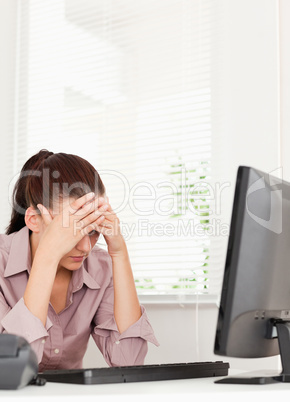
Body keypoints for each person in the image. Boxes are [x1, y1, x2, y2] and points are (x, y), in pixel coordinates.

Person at [0, 149, 159, 372]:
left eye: (94, 231)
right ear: (33, 221)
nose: (85, 247)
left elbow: (129, 362)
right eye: (72, 230)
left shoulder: (100, 268)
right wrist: (48, 256)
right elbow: (10, 368)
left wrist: (119, 253)